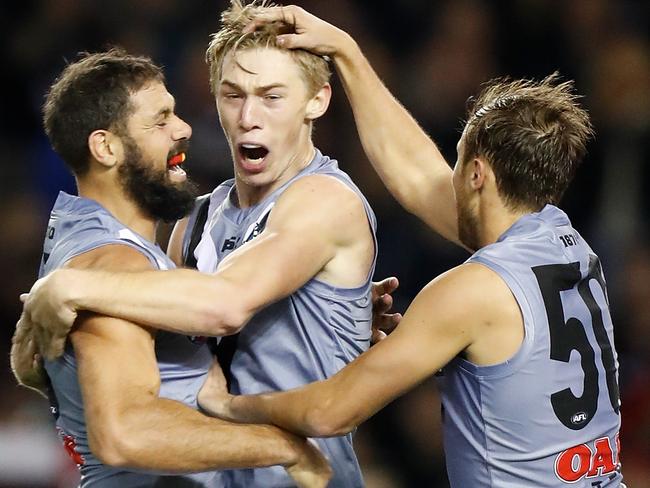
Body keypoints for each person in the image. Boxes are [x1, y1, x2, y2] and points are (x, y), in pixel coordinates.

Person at [192, 6, 626, 488]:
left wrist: (228, 403)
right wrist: (347, 51)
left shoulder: (470, 290)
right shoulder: (569, 246)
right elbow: (419, 177)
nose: (447, 175)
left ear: (477, 174)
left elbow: (328, 412)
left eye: (457, 162)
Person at [15, 2, 392, 487]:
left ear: (316, 101)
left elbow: (226, 305)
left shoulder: (324, 200)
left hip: (304, 477)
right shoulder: (191, 221)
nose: (249, 116)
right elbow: (142, 351)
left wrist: (68, 287)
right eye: (233, 95)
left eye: (272, 96)